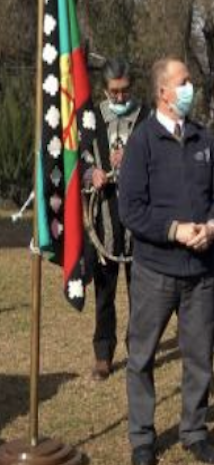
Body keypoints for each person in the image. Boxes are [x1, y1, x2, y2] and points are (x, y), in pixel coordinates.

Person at [118, 57, 214, 465]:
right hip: (155, 270)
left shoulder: (204, 138)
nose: (191, 89)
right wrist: (174, 230)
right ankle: (142, 437)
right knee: (142, 356)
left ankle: (195, 431)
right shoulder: (143, 140)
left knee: (200, 355)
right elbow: (130, 209)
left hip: (200, 271)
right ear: (163, 92)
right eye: (184, 83)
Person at [80, 57, 147, 380]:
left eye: (124, 91)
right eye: (114, 92)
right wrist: (91, 172)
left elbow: (158, 160)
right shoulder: (91, 117)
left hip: (138, 217)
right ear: (104, 89)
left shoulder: (146, 118)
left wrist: (133, 159)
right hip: (104, 216)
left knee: (140, 290)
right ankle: (103, 354)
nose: (120, 98)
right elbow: (78, 157)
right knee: (105, 290)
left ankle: (139, 349)